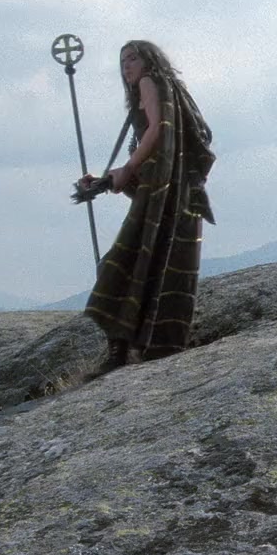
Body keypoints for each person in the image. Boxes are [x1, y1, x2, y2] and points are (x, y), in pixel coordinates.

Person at [78, 41, 216, 377]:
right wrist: (105, 181)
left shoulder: (150, 81)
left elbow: (158, 130)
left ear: (150, 61)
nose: (126, 66)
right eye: (122, 61)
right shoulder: (170, 90)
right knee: (151, 272)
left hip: (169, 202)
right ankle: (132, 352)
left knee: (120, 266)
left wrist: (126, 169)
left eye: (133, 58)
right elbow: (154, 160)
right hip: (178, 201)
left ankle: (119, 355)